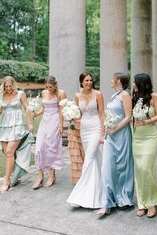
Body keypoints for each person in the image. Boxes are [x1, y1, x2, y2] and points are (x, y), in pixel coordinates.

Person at [97, 73, 134, 217]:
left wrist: (115, 128)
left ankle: (123, 198)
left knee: (122, 167)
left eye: (113, 79)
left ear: (118, 81)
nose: (111, 81)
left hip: (122, 135)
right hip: (110, 136)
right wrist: (107, 129)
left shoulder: (125, 95)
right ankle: (106, 203)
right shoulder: (114, 96)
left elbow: (128, 116)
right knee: (107, 167)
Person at [67, 72, 105, 208]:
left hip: (95, 128)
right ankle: (99, 189)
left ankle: (79, 194)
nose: (89, 82)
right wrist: (70, 116)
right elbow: (78, 113)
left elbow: (102, 114)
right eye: (86, 80)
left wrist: (102, 133)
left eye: (90, 80)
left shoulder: (98, 94)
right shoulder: (77, 96)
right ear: (81, 82)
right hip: (84, 129)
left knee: (88, 159)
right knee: (95, 159)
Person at [132, 73, 157, 218]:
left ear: (142, 83)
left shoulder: (154, 96)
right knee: (139, 170)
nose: (133, 84)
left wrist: (145, 122)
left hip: (150, 136)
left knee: (147, 169)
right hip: (137, 137)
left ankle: (152, 202)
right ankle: (141, 203)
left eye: (134, 82)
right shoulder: (135, 97)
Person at [32, 76, 66, 189]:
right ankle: (40, 175)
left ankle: (52, 175)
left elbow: (62, 110)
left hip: (55, 122)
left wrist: (61, 126)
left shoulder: (61, 93)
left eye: (50, 87)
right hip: (44, 122)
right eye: (46, 87)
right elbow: (44, 108)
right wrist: (36, 113)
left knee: (51, 147)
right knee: (38, 148)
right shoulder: (44, 93)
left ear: (55, 85)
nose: (48, 89)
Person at [0, 76, 33, 192]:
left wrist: (29, 124)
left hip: (17, 125)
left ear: (14, 85)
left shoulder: (20, 94)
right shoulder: (1, 95)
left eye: (10, 86)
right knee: (7, 153)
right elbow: (0, 111)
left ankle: (7, 180)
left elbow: (27, 109)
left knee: (9, 151)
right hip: (4, 125)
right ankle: (15, 176)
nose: (8, 89)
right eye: (6, 86)